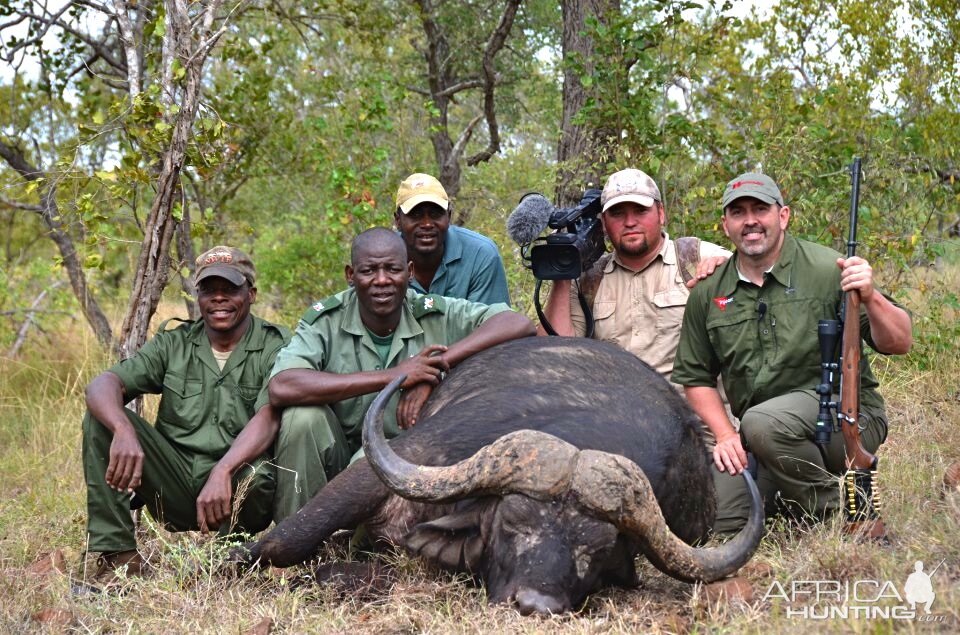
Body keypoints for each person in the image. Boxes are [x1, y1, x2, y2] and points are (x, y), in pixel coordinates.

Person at [672, 172, 912, 530]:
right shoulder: (709, 292)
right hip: (765, 439)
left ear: (783, 216)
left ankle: (837, 515)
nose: (750, 220)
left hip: (843, 422)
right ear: (725, 225)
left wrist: (871, 295)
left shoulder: (827, 269)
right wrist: (724, 435)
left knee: (763, 424)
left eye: (760, 209)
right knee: (711, 519)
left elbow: (900, 342)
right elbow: (695, 378)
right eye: (738, 212)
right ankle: (793, 496)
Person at [267, 227, 535, 520]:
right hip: (333, 455)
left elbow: (516, 324)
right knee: (301, 418)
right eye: (368, 270)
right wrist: (397, 376)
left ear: (409, 272)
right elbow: (283, 385)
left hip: (399, 459)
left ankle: (356, 540)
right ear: (350, 274)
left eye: (392, 269)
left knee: (376, 460)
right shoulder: (326, 319)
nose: (381, 281)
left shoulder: (433, 312)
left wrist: (437, 365)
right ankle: (295, 533)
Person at [82, 246, 290, 581]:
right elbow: (103, 385)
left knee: (260, 474)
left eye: (230, 290)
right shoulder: (174, 343)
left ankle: (228, 559)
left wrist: (223, 470)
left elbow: (270, 416)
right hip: (174, 483)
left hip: (236, 487)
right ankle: (118, 556)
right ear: (198, 296)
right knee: (100, 418)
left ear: (250, 294)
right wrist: (123, 429)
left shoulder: (275, 345)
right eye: (209, 290)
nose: (218, 299)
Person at [540, 167, 730, 387]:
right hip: (619, 415)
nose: (630, 222)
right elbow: (553, 358)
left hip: (693, 416)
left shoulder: (698, 259)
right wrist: (562, 275)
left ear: (661, 213)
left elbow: (762, 289)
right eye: (617, 213)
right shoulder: (588, 279)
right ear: (603, 223)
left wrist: (731, 278)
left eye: (640, 210)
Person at [394, 172, 511, 305]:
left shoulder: (481, 254)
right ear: (398, 220)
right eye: (415, 215)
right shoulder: (378, 258)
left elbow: (497, 321)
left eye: (435, 214)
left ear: (449, 216)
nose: (426, 224)